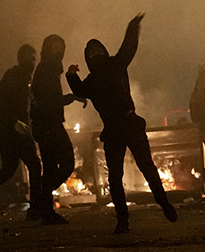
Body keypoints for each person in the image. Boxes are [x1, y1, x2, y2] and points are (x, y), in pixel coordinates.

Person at [66, 13, 177, 234]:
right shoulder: (113, 66)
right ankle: (149, 210)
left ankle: (130, 217)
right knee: (133, 171)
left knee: (124, 174)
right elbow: (129, 47)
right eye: (92, 53)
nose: (95, 55)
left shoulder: (105, 71)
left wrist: (71, 75)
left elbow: (128, 47)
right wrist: (133, 26)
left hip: (121, 127)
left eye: (96, 51)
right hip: (122, 126)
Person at [0, 44, 42, 220]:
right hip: (12, 131)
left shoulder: (22, 77)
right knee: (33, 166)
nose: (31, 61)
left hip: (11, 130)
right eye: (29, 58)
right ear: (21, 58)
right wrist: (16, 122)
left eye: (33, 58)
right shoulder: (14, 77)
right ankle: (36, 207)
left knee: (8, 170)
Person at [31, 34, 85, 225]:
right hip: (49, 125)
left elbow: (50, 100)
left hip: (46, 124)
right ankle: (41, 202)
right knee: (66, 164)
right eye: (54, 48)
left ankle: (44, 208)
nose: (58, 52)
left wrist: (70, 97)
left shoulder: (47, 70)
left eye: (60, 48)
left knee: (51, 168)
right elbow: (49, 102)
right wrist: (72, 97)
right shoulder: (47, 69)